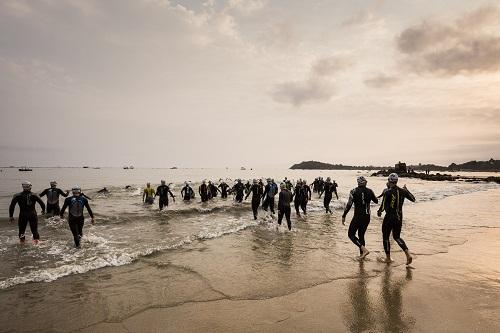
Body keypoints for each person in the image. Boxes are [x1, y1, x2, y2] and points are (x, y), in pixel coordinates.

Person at [377, 173, 416, 265]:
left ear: (389, 181)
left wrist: (379, 212)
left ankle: (388, 258)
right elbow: (413, 199)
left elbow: (382, 207)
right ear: (396, 181)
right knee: (397, 237)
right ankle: (408, 254)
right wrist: (407, 190)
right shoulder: (403, 191)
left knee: (386, 237)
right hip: (399, 217)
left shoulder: (387, 192)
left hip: (389, 217)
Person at [342, 176, 378, 259]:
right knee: (361, 235)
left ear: (358, 182)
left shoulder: (353, 191)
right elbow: (376, 201)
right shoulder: (370, 191)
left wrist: (344, 215)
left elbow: (349, 204)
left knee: (351, 234)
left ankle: (364, 250)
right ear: (364, 182)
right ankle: (362, 255)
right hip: (367, 217)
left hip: (358, 216)